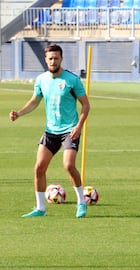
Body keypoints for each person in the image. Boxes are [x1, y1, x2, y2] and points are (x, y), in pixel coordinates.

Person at [9, 44, 90, 217]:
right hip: (50, 131)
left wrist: (78, 126)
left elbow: (86, 105)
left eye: (56, 58)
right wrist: (19, 113)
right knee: (39, 167)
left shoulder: (72, 80)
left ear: (61, 59)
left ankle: (81, 202)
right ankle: (40, 208)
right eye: (50, 58)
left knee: (69, 165)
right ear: (46, 60)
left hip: (70, 130)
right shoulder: (41, 80)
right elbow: (34, 101)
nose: (53, 61)